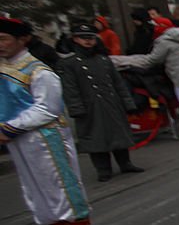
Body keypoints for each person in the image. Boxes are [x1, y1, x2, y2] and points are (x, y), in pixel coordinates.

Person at [0, 17, 95, 225]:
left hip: (44, 136)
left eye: (3, 39)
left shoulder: (40, 72)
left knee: (59, 183)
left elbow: (48, 108)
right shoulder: (5, 69)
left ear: (23, 40)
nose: (0, 45)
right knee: (33, 186)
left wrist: (11, 127)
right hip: (17, 137)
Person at [58, 21, 142, 182]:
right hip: (90, 106)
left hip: (111, 102)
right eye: (83, 38)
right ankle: (103, 169)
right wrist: (76, 108)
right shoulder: (69, 63)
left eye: (90, 37)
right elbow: (70, 89)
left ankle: (125, 163)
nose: (88, 41)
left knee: (119, 134)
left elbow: (118, 83)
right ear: (75, 39)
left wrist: (128, 102)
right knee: (95, 138)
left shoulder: (104, 60)